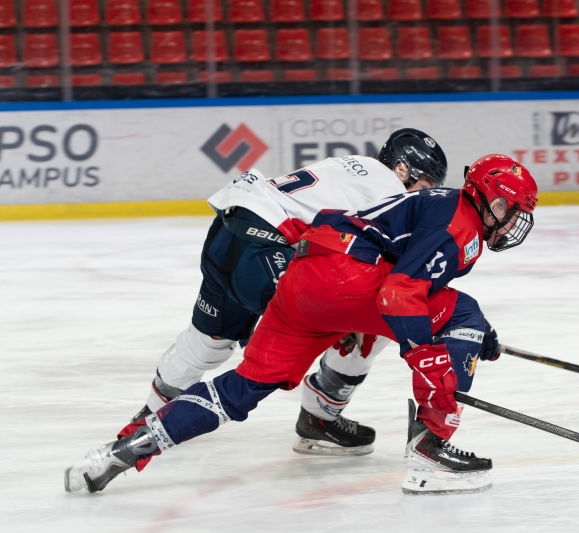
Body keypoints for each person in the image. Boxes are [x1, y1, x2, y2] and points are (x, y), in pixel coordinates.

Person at [65, 154, 538, 496]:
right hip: (341, 277)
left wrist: (480, 338)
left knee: (241, 387)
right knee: (461, 312)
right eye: (508, 209)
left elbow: (412, 281)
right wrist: (432, 362)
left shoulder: (437, 203)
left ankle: (121, 452)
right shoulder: (461, 223)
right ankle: (431, 447)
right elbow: (400, 294)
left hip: (300, 278)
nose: (512, 222)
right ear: (486, 198)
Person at [133, 128, 450, 457]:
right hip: (267, 256)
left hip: (229, 233)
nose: (423, 195)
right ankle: (320, 417)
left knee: (207, 341)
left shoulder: (351, 164)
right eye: (424, 185)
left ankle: (149, 419)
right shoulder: (391, 192)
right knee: (380, 317)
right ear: (402, 170)